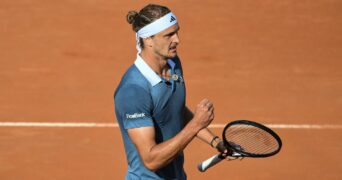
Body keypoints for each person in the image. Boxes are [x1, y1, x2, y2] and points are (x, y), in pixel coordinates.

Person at [114, 4, 227, 180]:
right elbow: (151, 160)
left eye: (176, 32)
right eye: (168, 35)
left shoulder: (173, 63)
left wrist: (216, 142)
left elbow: (175, 110)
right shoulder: (134, 91)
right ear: (148, 40)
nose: (177, 40)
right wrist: (196, 124)